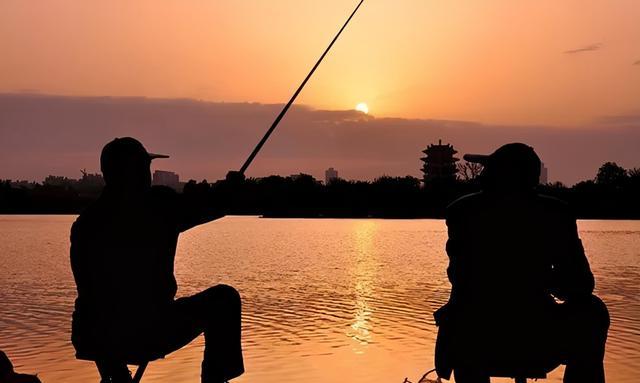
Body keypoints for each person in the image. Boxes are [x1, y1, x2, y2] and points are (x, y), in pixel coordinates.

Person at [70, 137, 244, 383]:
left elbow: (91, 295)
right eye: (145, 168)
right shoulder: (158, 207)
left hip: (95, 336)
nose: (148, 175)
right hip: (145, 330)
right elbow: (211, 205)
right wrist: (231, 188)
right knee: (224, 299)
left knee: (108, 319)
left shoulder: (86, 223)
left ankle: (115, 375)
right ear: (137, 172)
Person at [434, 143, 609, 383]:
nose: (483, 175)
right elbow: (580, 285)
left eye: (490, 169)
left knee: (463, 316)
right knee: (592, 310)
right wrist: (543, 281)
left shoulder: (462, 211)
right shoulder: (556, 212)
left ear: (497, 176)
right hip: (538, 335)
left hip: (477, 338)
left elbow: (460, 278)